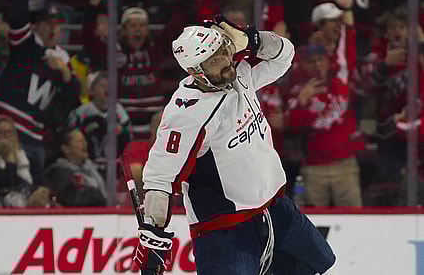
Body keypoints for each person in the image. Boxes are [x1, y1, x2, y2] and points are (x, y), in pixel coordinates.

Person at [130, 16, 336, 275]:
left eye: (223, 53)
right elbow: (160, 176)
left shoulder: (240, 73)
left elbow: (285, 55)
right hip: (225, 228)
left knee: (319, 266)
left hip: (273, 207)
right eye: (215, 60)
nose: (227, 63)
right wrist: (154, 234)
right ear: (196, 71)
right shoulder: (186, 114)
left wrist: (253, 40)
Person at [0, 0, 80, 170]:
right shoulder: (26, 44)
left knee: (34, 189)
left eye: (57, 24)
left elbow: (72, 97)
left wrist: (65, 73)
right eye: (48, 23)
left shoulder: (63, 59)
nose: (53, 28)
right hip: (6, 127)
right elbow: (18, 18)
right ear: (37, 26)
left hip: (34, 136)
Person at [284, 43, 364, 207]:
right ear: (305, 64)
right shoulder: (297, 91)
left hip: (345, 164)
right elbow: (290, 126)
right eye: (311, 61)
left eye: (320, 60)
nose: (317, 65)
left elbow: (348, 49)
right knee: (313, 222)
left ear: (328, 61)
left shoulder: (340, 82)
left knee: (353, 217)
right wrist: (302, 100)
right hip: (314, 168)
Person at [68, 71, 132, 173]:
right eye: (102, 85)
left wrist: (121, 131)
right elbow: (70, 137)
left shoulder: (118, 110)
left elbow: (129, 135)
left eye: (108, 86)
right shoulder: (81, 113)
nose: (107, 89)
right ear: (91, 91)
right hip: (87, 166)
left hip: (115, 166)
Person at [45, 127, 107, 207]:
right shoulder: (58, 173)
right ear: (65, 149)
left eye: (84, 140)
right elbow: (72, 200)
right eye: (79, 141)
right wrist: (98, 195)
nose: (85, 143)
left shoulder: (95, 168)